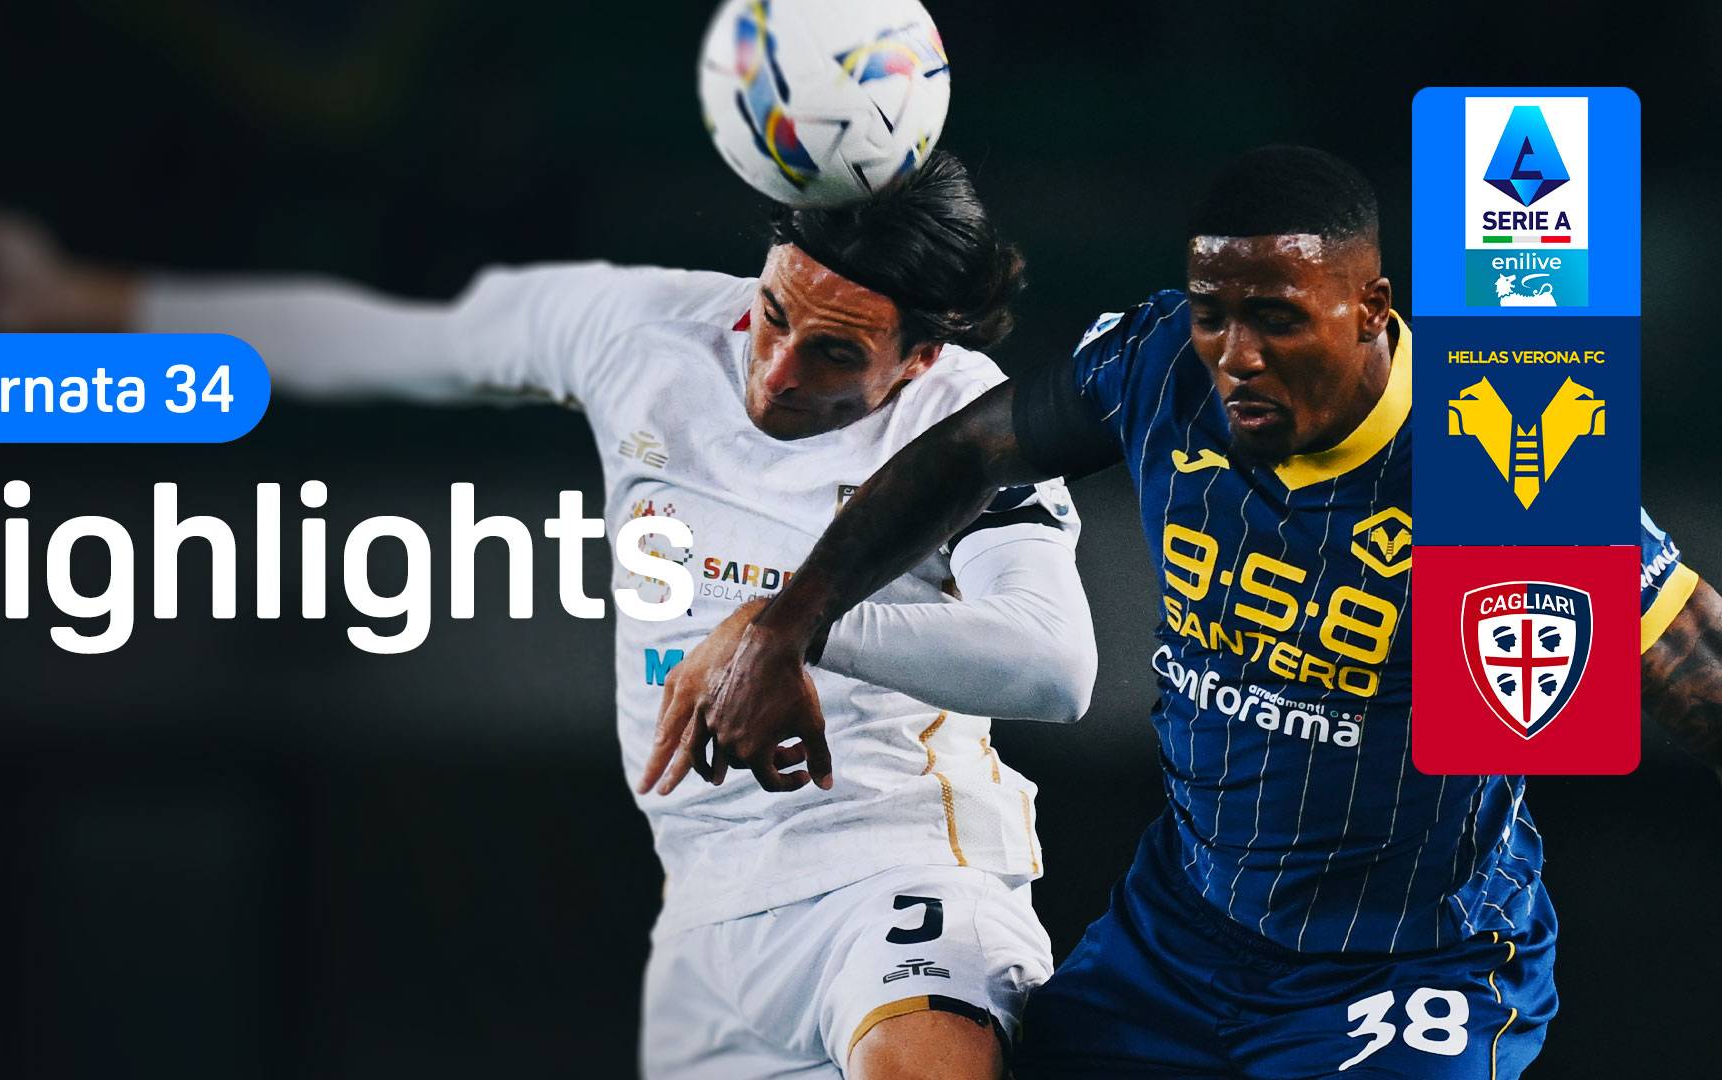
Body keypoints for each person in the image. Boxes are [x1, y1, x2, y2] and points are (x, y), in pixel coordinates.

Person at [0, 152, 1099, 1080]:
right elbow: (383, 340)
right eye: (774, 314)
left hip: (893, 868)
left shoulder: (969, 423)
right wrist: (73, 297)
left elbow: (1054, 664)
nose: (776, 373)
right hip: (708, 915)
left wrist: (787, 626)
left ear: (918, 358)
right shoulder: (637, 329)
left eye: (833, 355)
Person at [683, 145, 1722, 1077]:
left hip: (1408, 968)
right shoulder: (1157, 366)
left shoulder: (1501, 455)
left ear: (1372, 309)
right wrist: (787, 623)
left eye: (1277, 318)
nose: (1237, 354)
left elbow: (1694, 664)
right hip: (1180, 944)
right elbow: (967, 452)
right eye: (1213, 313)